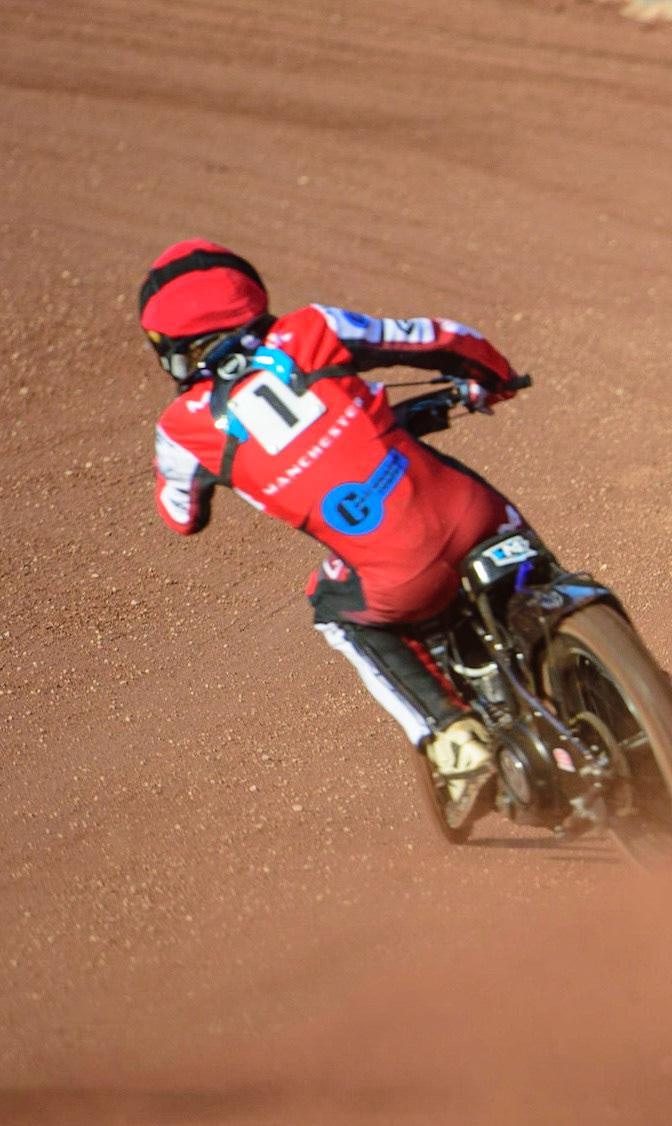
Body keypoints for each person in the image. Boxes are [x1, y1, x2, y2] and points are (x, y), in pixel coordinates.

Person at [141, 239, 522, 819]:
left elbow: (181, 516)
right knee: (502, 531)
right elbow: (440, 337)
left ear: (168, 347)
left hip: (399, 580)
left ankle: (452, 736)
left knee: (332, 605)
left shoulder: (179, 430)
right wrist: (495, 377)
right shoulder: (312, 327)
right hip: (477, 515)